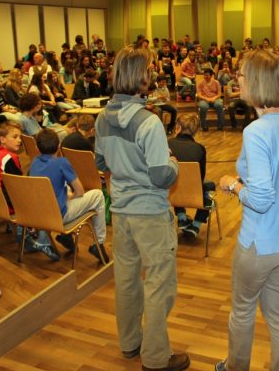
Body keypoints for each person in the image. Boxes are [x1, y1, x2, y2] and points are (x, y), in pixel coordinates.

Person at [216, 49, 279, 371]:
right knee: (275, 307)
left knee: (243, 309)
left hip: (262, 242)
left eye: (242, 76)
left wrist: (233, 185)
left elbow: (260, 200)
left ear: (257, 82)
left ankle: (235, 368)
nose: (238, 80)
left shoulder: (257, 131)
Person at [94, 45, 189, 371]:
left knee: (127, 280)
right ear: (141, 77)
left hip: (120, 212)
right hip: (150, 214)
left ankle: (130, 343)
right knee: (160, 284)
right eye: (149, 70)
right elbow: (162, 176)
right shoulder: (148, 122)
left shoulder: (102, 120)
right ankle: (156, 357)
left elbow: (101, 162)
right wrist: (175, 163)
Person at [29, 128, 109, 262]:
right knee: (98, 195)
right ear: (59, 145)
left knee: (65, 189)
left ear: (37, 147)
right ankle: (98, 244)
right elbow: (80, 191)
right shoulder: (62, 162)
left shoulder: (34, 162)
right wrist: (71, 197)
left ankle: (66, 236)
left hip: (40, 215)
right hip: (59, 216)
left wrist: (68, 195)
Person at [0, 122, 59, 260]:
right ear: (2, 139)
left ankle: (25, 233)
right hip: (6, 205)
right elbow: (17, 189)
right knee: (45, 199)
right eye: (15, 136)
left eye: (20, 136)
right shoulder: (9, 158)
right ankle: (41, 240)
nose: (19, 140)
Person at [168, 114, 215, 238]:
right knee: (210, 186)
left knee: (176, 180)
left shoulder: (167, 144)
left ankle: (182, 217)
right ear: (195, 131)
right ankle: (196, 224)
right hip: (193, 193)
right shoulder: (199, 149)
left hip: (169, 194)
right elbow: (201, 177)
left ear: (178, 127)